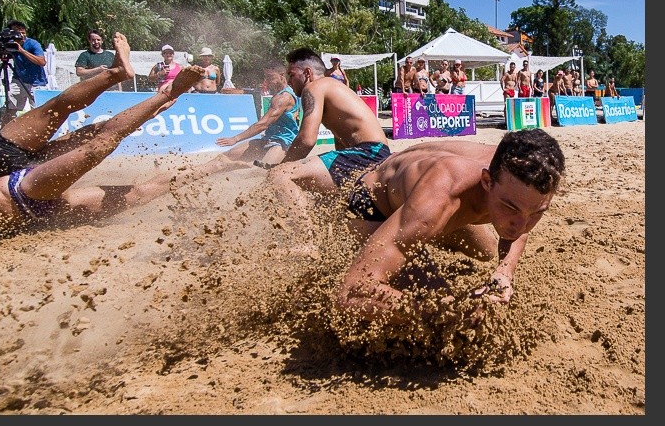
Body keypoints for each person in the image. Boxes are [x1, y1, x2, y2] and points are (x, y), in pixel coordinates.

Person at [0, 33, 204, 246]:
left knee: (84, 132)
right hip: (26, 204)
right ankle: (219, 163)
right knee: (123, 179)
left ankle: (136, 81)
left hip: (10, 183)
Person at [335, 128, 566, 327]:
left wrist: (504, 271)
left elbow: (520, 225)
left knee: (485, 253)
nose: (521, 225)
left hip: (429, 191)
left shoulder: (521, 167)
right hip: (373, 203)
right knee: (437, 293)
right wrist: (444, 313)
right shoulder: (441, 198)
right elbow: (351, 292)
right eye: (510, 208)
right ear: (487, 182)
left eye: (537, 213)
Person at [266, 47, 390, 231]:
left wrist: (282, 165)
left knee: (280, 175)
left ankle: (305, 242)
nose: (289, 81)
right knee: (325, 203)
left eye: (291, 75)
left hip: (366, 153)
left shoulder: (314, 87)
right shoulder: (333, 87)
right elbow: (341, 145)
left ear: (307, 72)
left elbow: (306, 139)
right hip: (375, 154)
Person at [142, 63, 300, 189]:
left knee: (260, 172)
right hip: (268, 139)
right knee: (224, 158)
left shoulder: (284, 97)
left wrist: (236, 138)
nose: (267, 81)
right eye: (265, 77)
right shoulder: (280, 94)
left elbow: (263, 124)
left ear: (281, 75)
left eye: (270, 77)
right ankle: (193, 179)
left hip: (284, 143)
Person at [0, 20, 47, 126]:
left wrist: (21, 50)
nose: (21, 36)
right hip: (19, 80)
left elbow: (42, 62)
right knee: (10, 108)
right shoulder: (10, 45)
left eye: (23, 32)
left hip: (36, 82)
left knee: (39, 110)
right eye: (18, 33)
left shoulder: (32, 44)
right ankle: (6, 133)